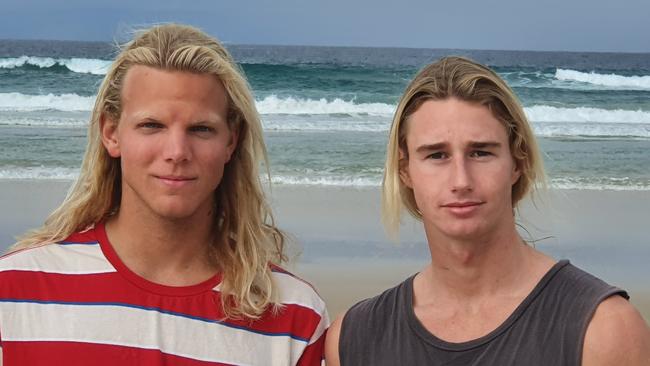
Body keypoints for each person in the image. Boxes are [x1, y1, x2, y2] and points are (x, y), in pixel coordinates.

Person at [0, 24, 327, 365]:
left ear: (231, 140)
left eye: (201, 129)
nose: (177, 152)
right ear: (111, 133)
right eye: (151, 125)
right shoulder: (16, 289)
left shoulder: (294, 317)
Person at [325, 56, 650, 365]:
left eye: (480, 152)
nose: (461, 180)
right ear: (405, 170)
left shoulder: (604, 330)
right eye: (437, 155)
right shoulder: (355, 338)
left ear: (517, 162)